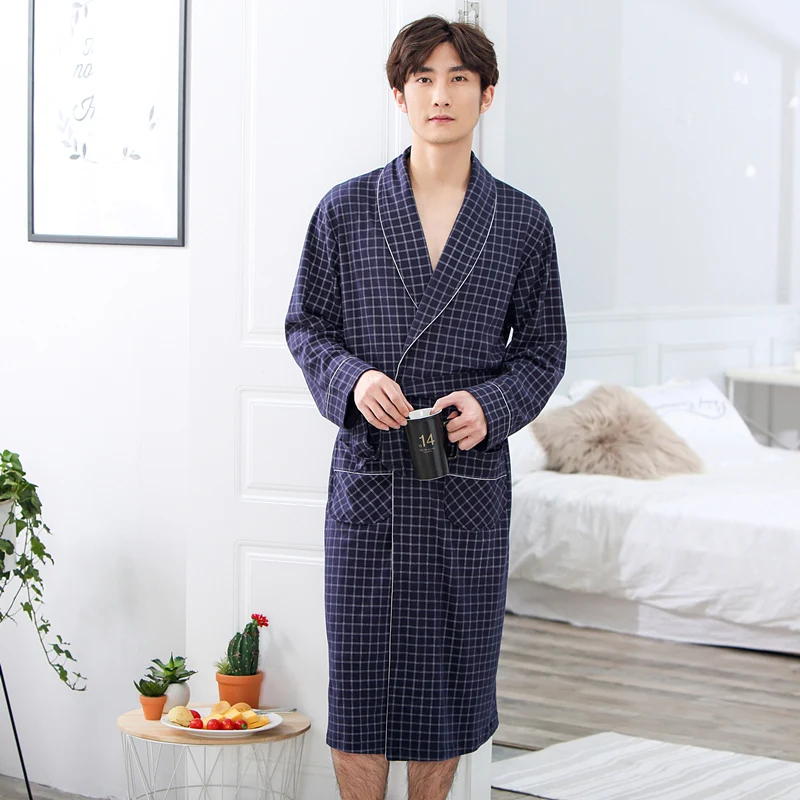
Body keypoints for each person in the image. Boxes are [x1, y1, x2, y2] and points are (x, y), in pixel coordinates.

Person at [284, 14, 567, 800]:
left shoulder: (521, 222)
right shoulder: (345, 210)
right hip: (371, 478)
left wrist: (491, 404)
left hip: (463, 483)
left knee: (448, 691)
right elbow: (306, 325)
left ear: (487, 96)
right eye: (423, 79)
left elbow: (544, 351)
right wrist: (351, 380)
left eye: (458, 79)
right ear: (400, 95)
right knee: (361, 692)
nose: (440, 95)